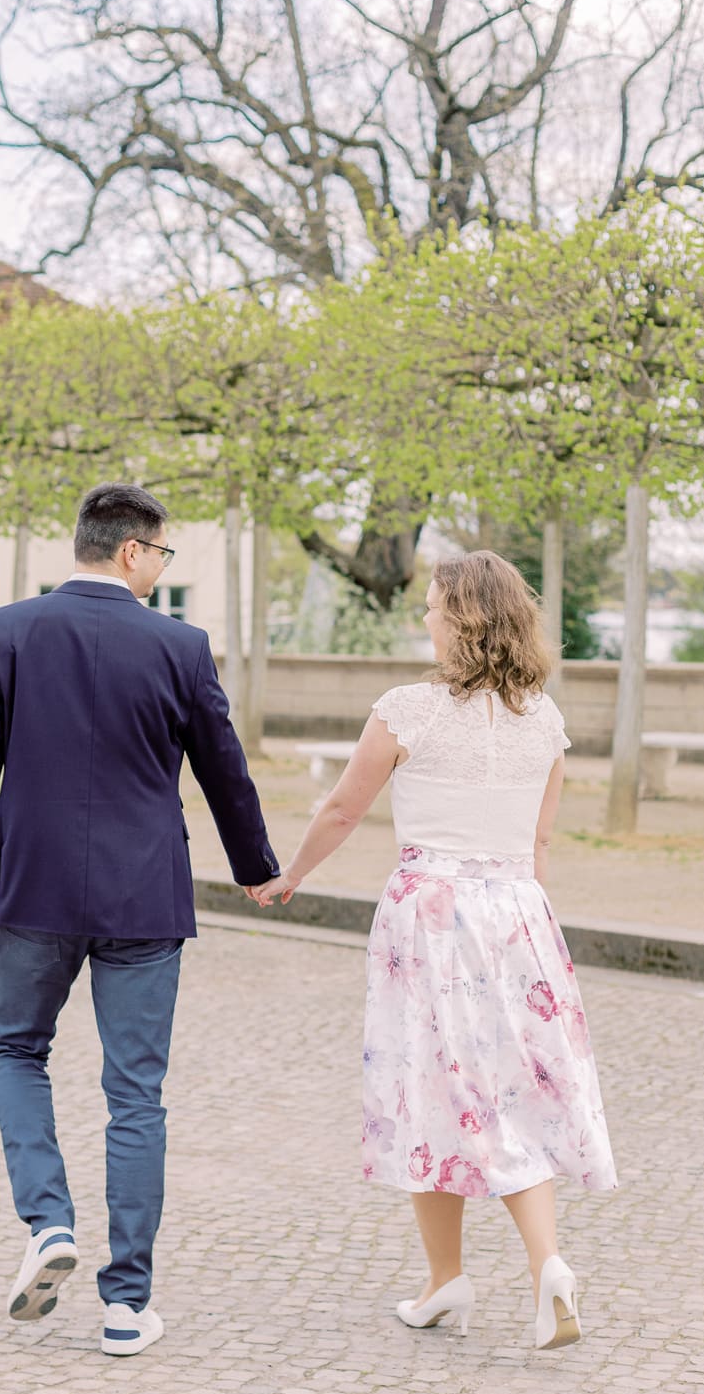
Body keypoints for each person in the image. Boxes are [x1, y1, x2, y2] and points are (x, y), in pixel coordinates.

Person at [0, 483, 278, 1356]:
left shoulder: (9, 631)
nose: (163, 569)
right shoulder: (180, 644)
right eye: (162, 553)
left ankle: (48, 1221)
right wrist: (258, 870)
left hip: (33, 890)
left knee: (16, 1050)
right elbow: (224, 770)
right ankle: (127, 1303)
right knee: (136, 1093)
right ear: (132, 551)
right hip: (144, 894)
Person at [255, 551, 616, 1349]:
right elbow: (542, 838)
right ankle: (502, 1270)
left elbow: (346, 808)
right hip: (519, 910)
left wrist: (291, 874)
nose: (423, 617)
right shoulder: (544, 721)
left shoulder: (406, 710)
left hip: (432, 915)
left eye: (431, 606)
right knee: (515, 1089)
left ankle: (487, 1270)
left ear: (461, 617)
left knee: (432, 1091)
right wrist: (538, 933)